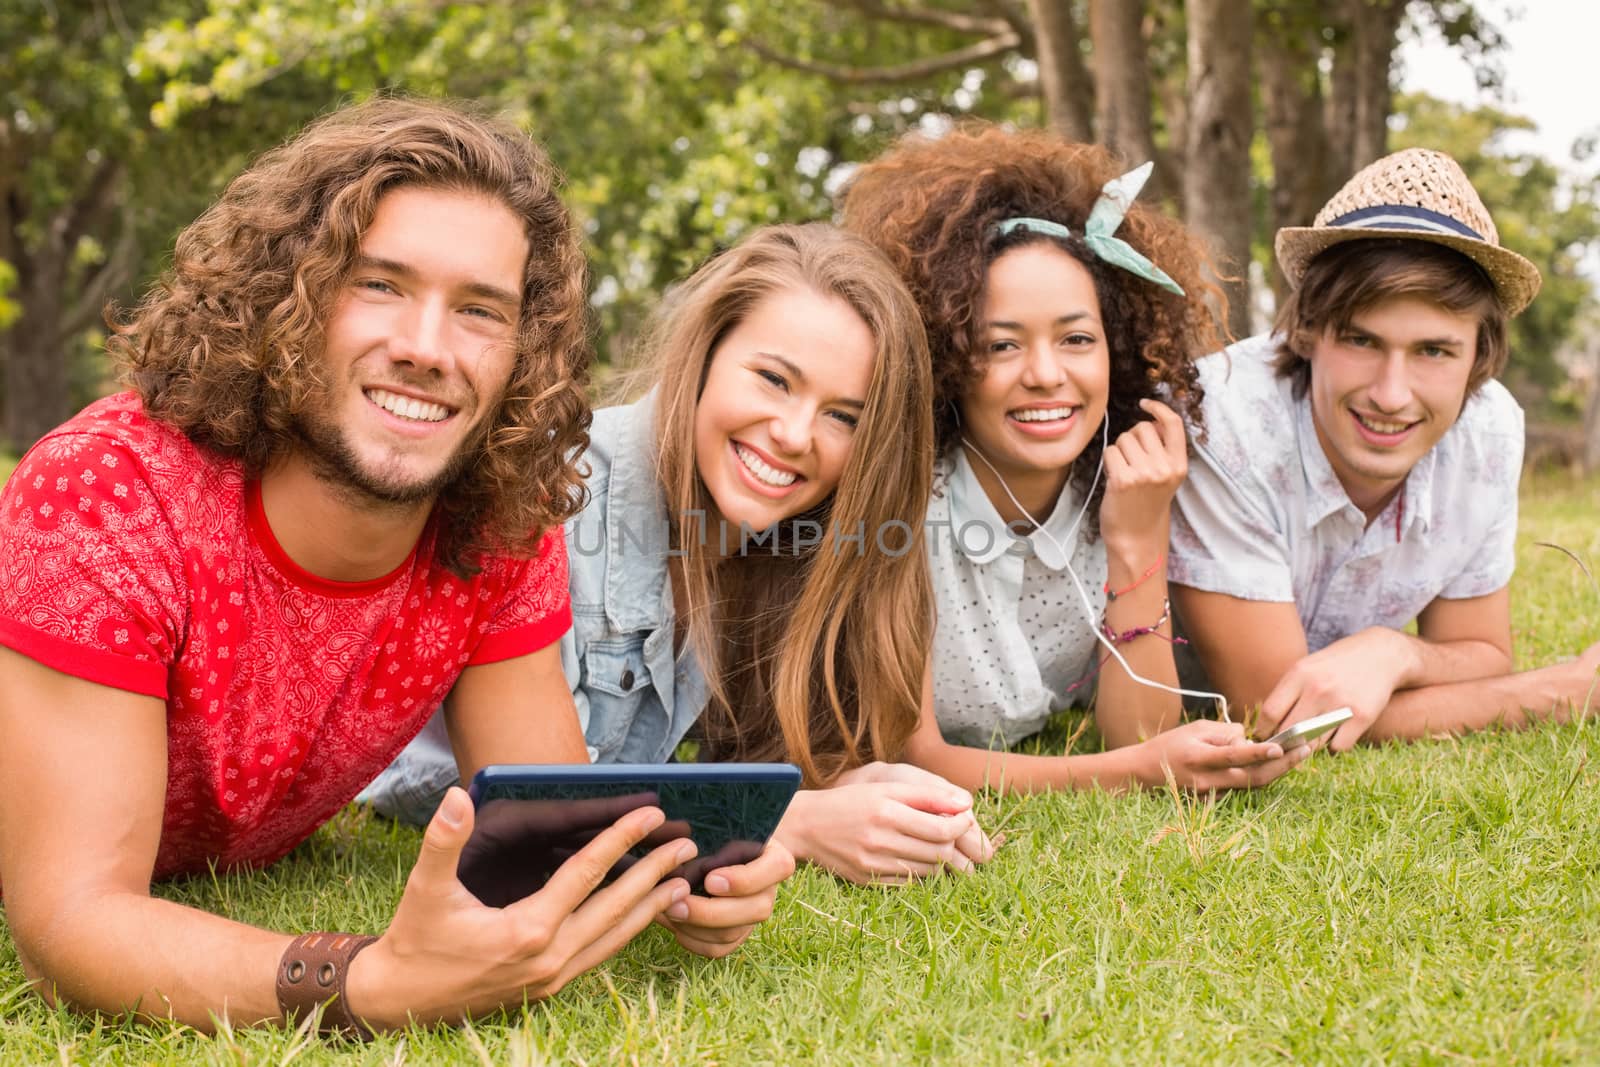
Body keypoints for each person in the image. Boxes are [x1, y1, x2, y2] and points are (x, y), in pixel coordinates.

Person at [0, 97, 790, 1037]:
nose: (426, 348)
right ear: (283, 296)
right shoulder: (106, 493)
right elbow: (69, 922)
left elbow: (547, 828)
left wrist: (679, 877)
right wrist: (365, 981)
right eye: (378, 285)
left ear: (522, 353)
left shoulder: (493, 517)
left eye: (479, 311)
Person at [365, 222, 998, 884]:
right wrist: (798, 822)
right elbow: (541, 812)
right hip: (418, 792)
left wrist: (865, 789)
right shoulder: (556, 501)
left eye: (844, 416)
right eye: (774, 379)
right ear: (705, 355)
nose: (794, 434)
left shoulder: (779, 537)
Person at [839, 125, 1303, 793]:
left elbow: (1138, 731)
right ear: (944, 358)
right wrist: (1130, 773)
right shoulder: (904, 499)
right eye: (1000, 345)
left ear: (1116, 348)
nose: (1046, 374)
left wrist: (1138, 535)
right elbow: (912, 756)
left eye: (1077, 338)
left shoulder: (1119, 484)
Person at [1168, 147, 1600, 751]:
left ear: (1480, 355)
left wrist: (1392, 652)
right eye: (1362, 339)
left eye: (1434, 351)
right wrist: (1562, 690)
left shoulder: (1490, 432)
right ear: (1310, 330)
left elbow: (1480, 652)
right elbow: (1276, 714)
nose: (1391, 395)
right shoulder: (1222, 415)